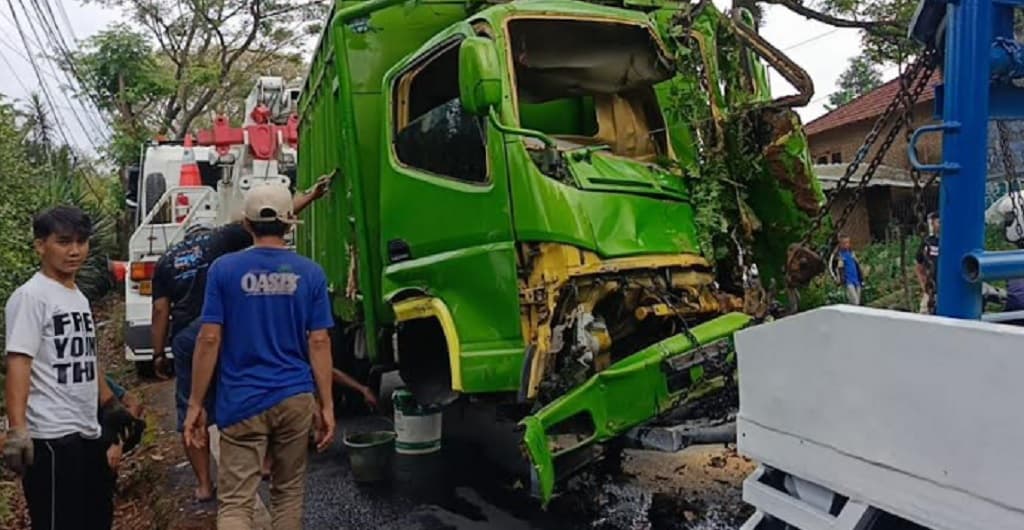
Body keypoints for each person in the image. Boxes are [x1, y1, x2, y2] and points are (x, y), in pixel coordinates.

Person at [151, 176, 331, 501]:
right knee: (240, 391)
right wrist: (312, 196)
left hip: (185, 337)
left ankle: (205, 484)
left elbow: (160, 311)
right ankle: (262, 463)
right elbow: (273, 220)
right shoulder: (218, 243)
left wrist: (157, 354)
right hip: (216, 329)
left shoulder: (165, 261)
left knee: (193, 413)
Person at [3, 206, 139, 530]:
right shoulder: (31, 297)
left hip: (86, 431)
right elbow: (19, 362)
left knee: (95, 520)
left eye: (81, 241)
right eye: (63, 242)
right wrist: (18, 429)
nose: (75, 250)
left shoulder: (76, 296)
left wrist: (109, 403)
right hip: (50, 438)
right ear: (40, 245)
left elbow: (86, 357)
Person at [916, 212, 940, 314]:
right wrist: (924, 285)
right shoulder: (928, 242)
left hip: (949, 289)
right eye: (938, 222)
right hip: (932, 290)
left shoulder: (956, 242)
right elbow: (919, 265)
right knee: (924, 313)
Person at [836, 235, 864, 305]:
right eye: (844, 243)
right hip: (849, 281)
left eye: (848, 242)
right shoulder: (841, 256)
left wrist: (861, 277)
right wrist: (841, 280)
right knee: (855, 302)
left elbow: (857, 266)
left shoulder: (852, 253)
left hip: (856, 280)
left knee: (857, 302)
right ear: (841, 244)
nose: (846, 245)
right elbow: (840, 268)